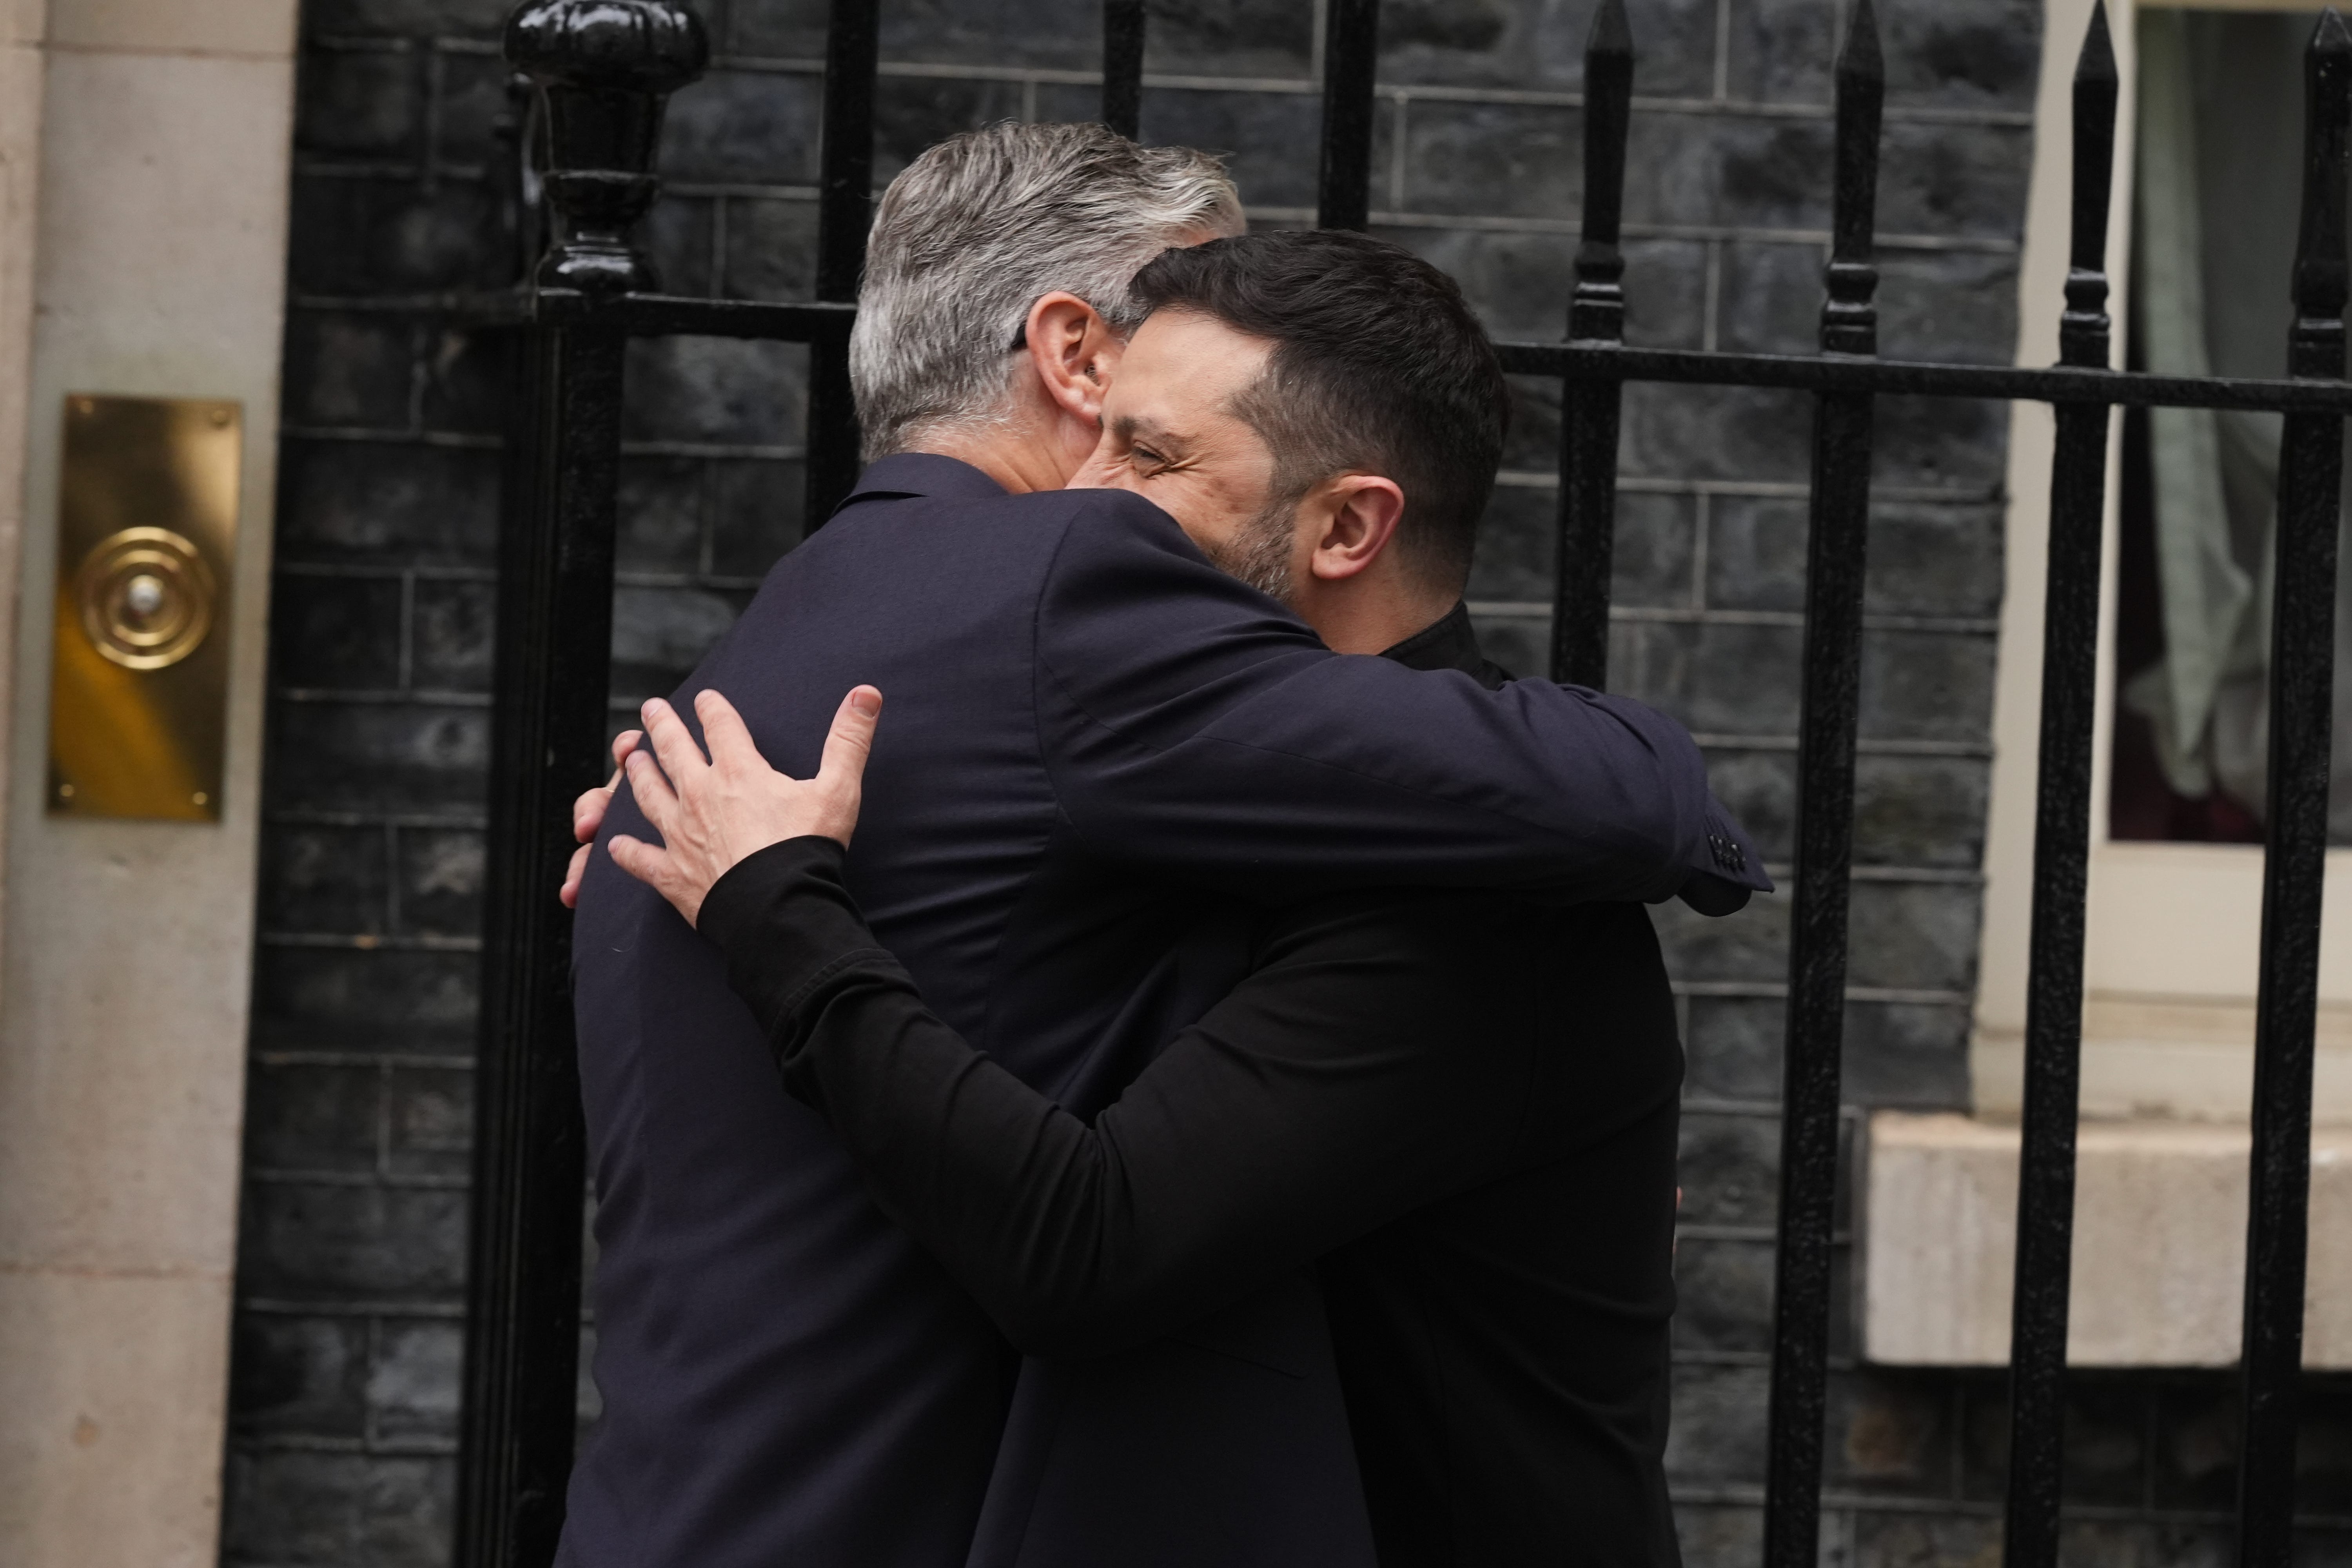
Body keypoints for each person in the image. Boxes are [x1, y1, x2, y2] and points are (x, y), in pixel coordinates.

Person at [560, 125, 1765, 1568]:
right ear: (1070, 352)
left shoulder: (1464, 889)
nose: (1087, 502)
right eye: (1112, 431)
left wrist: (777, 909)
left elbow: (1089, 1242)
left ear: (1347, 527)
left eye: (1150, 454)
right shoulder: (1099, 730)